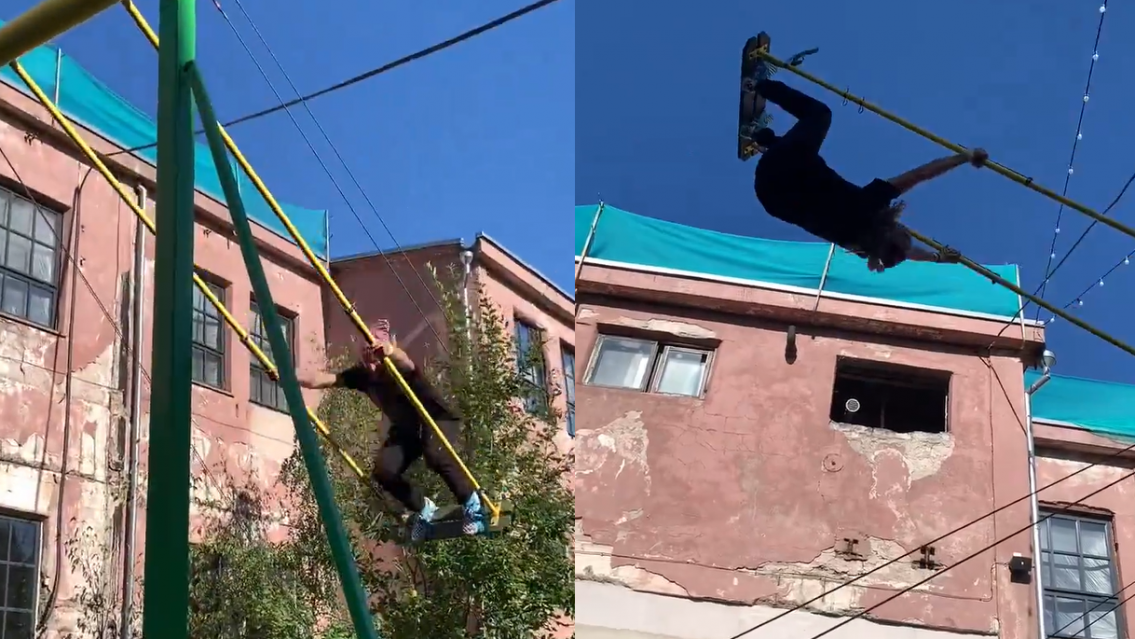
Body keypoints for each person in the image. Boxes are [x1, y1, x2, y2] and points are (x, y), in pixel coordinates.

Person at [747, 71, 989, 273]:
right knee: (808, 169)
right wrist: (936, 258)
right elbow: (905, 253)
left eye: (902, 231)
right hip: (770, 195)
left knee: (819, 115)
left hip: (788, 166)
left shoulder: (870, 204)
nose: (904, 228)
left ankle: (759, 84)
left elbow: (921, 174)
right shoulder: (858, 244)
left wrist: (963, 157)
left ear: (889, 231)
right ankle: (760, 136)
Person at [297, 336, 485, 542]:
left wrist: (389, 350)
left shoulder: (396, 368)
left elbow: (405, 361)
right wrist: (287, 374)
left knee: (435, 454)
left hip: (436, 418)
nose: (371, 366)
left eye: (375, 361)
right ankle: (423, 507)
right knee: (384, 471)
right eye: (367, 359)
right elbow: (321, 379)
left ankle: (473, 504)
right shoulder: (362, 376)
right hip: (407, 430)